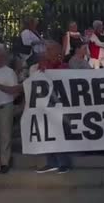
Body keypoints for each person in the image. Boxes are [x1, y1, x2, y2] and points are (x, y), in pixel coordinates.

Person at [35, 41, 72, 174]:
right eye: (47, 50)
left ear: (57, 52)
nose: (47, 52)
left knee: (59, 134)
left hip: (59, 106)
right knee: (48, 134)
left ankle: (64, 163)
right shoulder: (43, 65)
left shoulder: (64, 66)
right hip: (45, 105)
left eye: (50, 50)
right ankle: (51, 162)